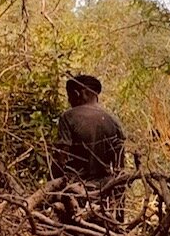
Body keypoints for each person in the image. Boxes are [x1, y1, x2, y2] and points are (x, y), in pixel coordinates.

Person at [52, 75, 125, 210]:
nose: (69, 101)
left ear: (77, 93)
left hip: (74, 188)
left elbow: (61, 156)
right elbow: (120, 168)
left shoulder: (68, 117)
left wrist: (53, 185)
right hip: (104, 191)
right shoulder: (113, 122)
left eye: (69, 97)